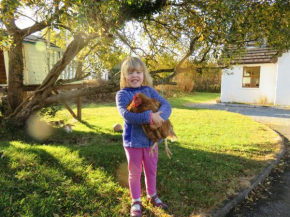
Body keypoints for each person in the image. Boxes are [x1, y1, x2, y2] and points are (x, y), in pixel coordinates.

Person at [116, 56, 172, 217]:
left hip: (151, 142)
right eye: (130, 72)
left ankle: (152, 195)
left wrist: (161, 117)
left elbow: (166, 105)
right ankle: (136, 201)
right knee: (134, 172)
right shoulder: (122, 94)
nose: (135, 76)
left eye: (138, 72)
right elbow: (127, 115)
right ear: (124, 76)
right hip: (133, 142)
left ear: (144, 74)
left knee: (151, 170)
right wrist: (149, 117)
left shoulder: (149, 91)